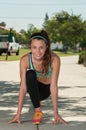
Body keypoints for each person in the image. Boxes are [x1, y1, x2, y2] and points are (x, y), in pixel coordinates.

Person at [8, 30, 67, 125]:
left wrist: (56, 113)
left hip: (46, 90)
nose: (38, 52)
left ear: (46, 47)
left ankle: (38, 103)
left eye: (41, 48)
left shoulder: (54, 59)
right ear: (30, 47)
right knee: (30, 74)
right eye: (34, 47)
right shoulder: (25, 60)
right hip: (32, 88)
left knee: (34, 78)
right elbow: (23, 87)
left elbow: (54, 86)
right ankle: (38, 111)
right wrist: (18, 114)